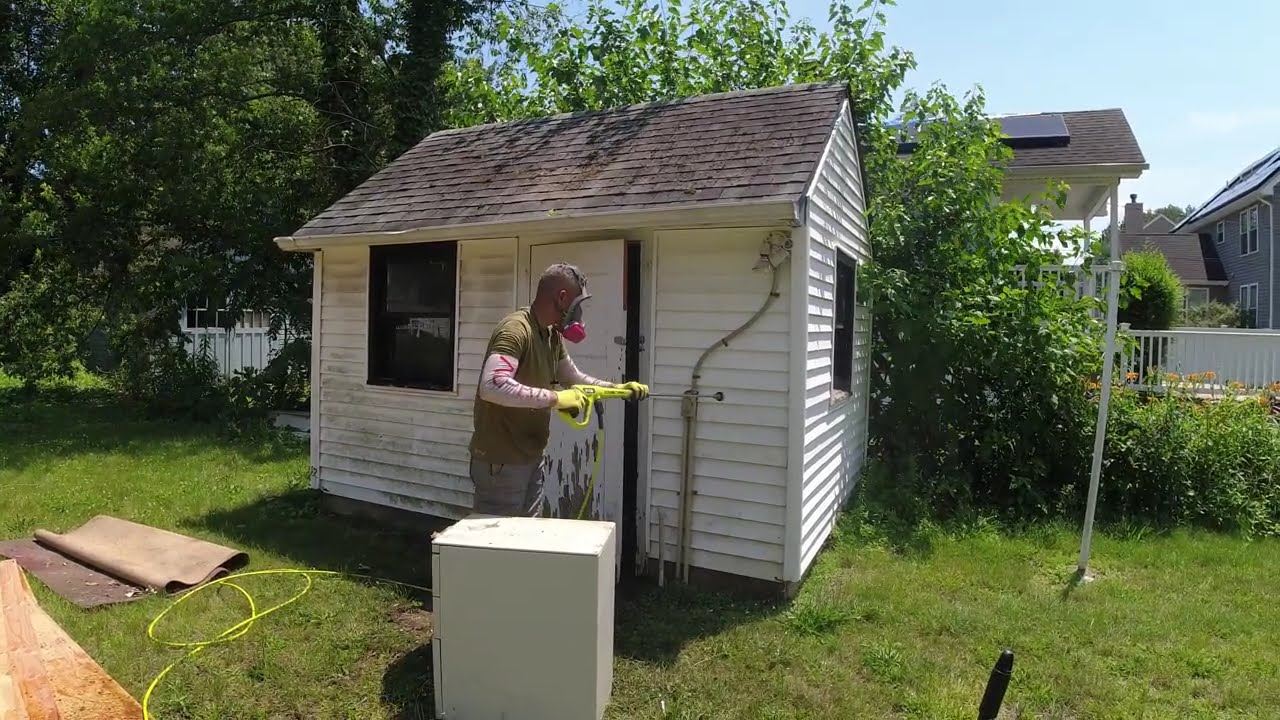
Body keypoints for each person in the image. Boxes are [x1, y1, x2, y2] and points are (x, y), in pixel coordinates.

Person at [468, 262, 648, 517]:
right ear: (562, 297)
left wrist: (618, 389)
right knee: (499, 546)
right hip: (501, 462)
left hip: (531, 455)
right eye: (578, 306)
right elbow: (492, 385)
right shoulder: (516, 330)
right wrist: (556, 398)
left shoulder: (552, 336)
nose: (579, 316)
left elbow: (573, 378)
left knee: (527, 538)